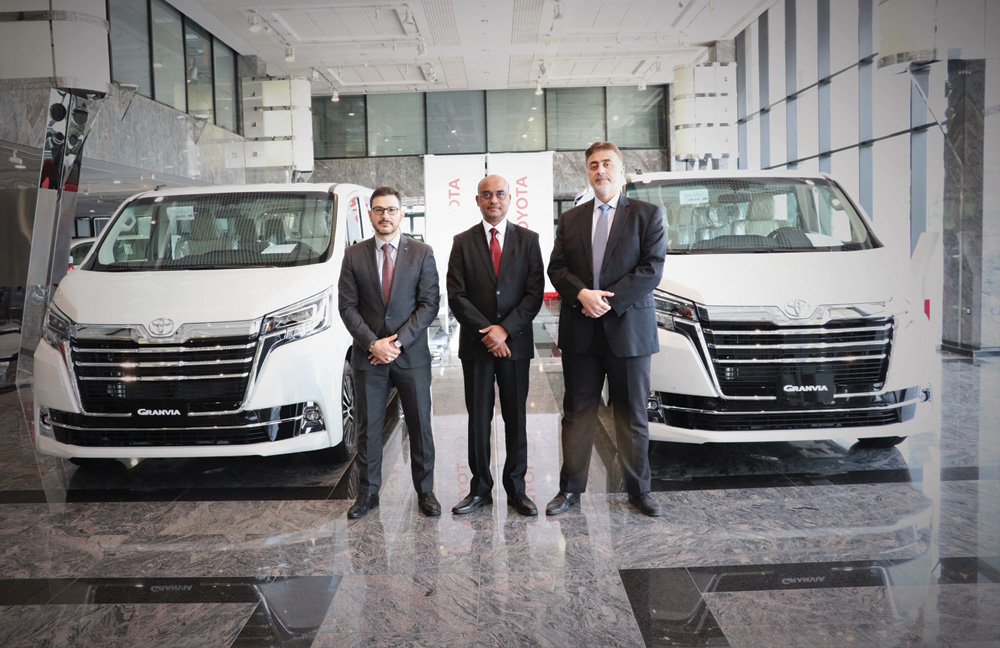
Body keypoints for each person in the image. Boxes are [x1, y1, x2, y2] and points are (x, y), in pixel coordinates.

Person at [545, 142, 666, 517]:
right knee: (577, 413)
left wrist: (608, 302)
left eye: (607, 164)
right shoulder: (571, 219)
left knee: (631, 414)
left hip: (628, 330)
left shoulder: (647, 215)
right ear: (587, 171)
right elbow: (557, 267)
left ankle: (639, 491)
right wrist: (582, 293)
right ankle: (570, 491)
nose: (600, 170)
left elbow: (652, 269)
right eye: (594, 164)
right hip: (581, 331)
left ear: (622, 170)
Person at [338, 186, 441, 519]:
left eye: (391, 210)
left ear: (402, 213)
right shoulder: (354, 255)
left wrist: (396, 343)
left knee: (420, 425)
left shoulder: (422, 252)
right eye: (379, 210)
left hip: (410, 357)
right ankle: (368, 494)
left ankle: (425, 492)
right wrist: (373, 343)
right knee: (369, 428)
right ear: (369, 215)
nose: (385, 216)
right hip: (369, 356)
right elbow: (347, 306)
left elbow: (429, 305)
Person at [447, 174, 545, 516]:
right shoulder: (462, 242)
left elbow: (534, 295)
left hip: (515, 346)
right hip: (476, 348)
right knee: (479, 419)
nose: (493, 200)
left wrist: (505, 330)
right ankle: (480, 490)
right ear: (477, 200)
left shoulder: (529, 241)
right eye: (486, 195)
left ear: (510, 198)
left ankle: (517, 490)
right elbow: (456, 296)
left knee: (516, 418)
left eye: (500, 194)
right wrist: (488, 333)